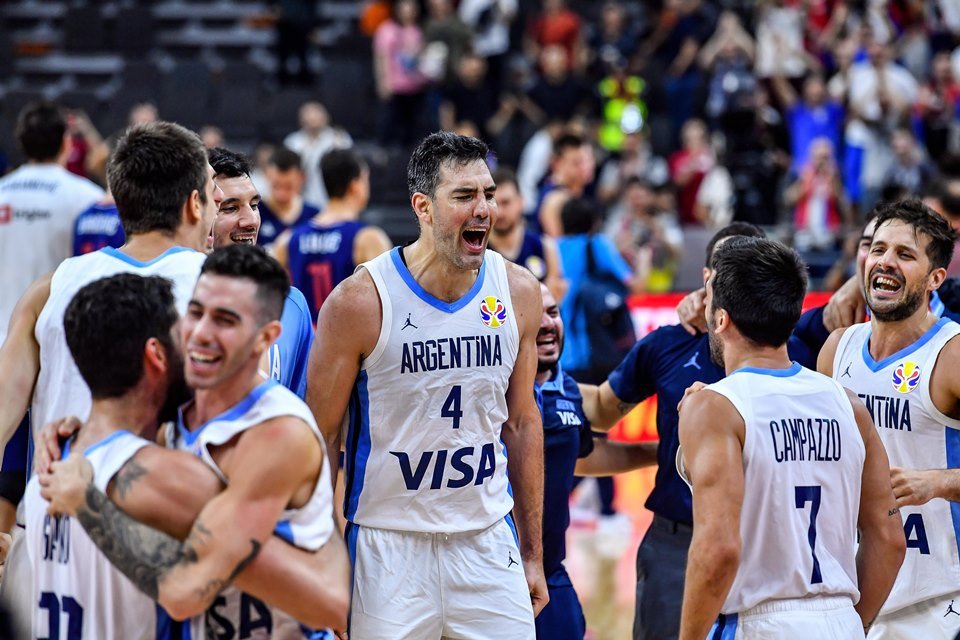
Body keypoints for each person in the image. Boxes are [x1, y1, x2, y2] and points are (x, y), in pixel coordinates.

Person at [306, 132, 547, 637]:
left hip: (485, 539)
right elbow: (321, 439)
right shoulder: (359, 302)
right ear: (423, 207)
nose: (483, 209)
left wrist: (532, 553)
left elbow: (523, 422)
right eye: (463, 196)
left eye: (487, 194)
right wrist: (324, 557)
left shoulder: (518, 291)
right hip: (387, 545)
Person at [42, 246, 344, 638]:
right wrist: (79, 431)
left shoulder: (277, 436)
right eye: (196, 312)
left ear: (265, 339)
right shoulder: (184, 395)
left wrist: (87, 502)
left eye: (225, 321)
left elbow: (185, 591)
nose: (201, 334)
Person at [0, 120, 220, 631]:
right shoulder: (220, 298)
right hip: (149, 537)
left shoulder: (52, 285)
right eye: (212, 197)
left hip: (49, 529)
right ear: (193, 204)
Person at [578, 222, 831, 640]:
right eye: (724, 270)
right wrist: (534, 384)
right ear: (706, 277)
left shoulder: (795, 339)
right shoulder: (665, 345)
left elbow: (858, 297)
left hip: (771, 541)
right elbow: (602, 411)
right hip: (678, 541)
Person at [678, 236, 904, 639]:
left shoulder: (714, 406)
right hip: (840, 619)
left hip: (758, 621)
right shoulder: (848, 404)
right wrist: (854, 623)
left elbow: (718, 551)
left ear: (721, 319)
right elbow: (888, 539)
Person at [819, 200, 960, 639]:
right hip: (856, 597)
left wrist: (937, 482)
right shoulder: (837, 348)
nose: (885, 261)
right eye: (878, 248)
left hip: (940, 600)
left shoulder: (951, 355)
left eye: (904, 254)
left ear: (936, 278)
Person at [534, 281, 657, 639]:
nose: (547, 323)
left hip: (549, 570)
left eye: (554, 312)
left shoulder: (565, 388)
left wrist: (659, 453)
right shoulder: (487, 388)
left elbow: (584, 456)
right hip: (486, 572)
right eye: (535, 313)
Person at [208, 147, 315, 399]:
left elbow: (301, 411)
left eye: (254, 205)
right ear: (197, 211)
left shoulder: (292, 304)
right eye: (230, 208)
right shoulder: (176, 300)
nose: (251, 220)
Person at [0, 101, 104, 345]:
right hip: (54, 339)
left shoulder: (2, 191)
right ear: (66, 143)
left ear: (21, 142)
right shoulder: (88, 198)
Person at [273, 148, 392, 322]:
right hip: (348, 343)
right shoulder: (367, 239)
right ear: (355, 185)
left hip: (305, 344)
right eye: (366, 179)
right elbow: (389, 305)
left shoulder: (287, 239)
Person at [487, 167, 566, 301]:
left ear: (520, 202)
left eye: (506, 203)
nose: (499, 212)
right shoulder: (478, 251)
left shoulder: (545, 247)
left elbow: (553, 302)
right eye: (493, 203)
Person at [283, 101, 353, 207]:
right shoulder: (293, 142)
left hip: (335, 200)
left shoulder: (338, 139)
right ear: (302, 120)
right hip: (303, 200)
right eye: (309, 118)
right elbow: (287, 174)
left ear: (325, 118)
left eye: (316, 117)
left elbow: (350, 169)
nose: (312, 121)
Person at [533, 132, 596, 237]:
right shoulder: (555, 201)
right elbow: (560, 247)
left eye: (586, 161)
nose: (584, 168)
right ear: (557, 163)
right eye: (576, 163)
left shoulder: (571, 192)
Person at [256, 147, 320, 247]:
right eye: (276, 186)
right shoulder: (255, 212)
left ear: (302, 178)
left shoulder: (314, 216)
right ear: (267, 175)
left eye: (288, 187)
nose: (281, 193)